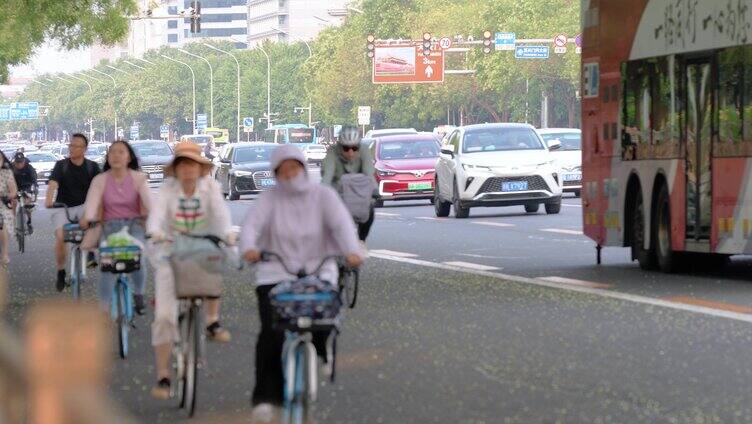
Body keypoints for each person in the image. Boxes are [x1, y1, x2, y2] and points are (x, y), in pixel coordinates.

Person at [241, 144, 364, 422]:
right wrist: (249, 248)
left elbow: (342, 226)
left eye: (294, 167)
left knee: (323, 319)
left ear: (303, 167)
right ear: (275, 174)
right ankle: (265, 398)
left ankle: (322, 349)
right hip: (276, 273)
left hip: (318, 271)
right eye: (283, 170)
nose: (289, 174)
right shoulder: (269, 199)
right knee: (271, 335)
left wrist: (352, 251)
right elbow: (250, 227)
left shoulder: (324, 196)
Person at [146, 141, 233, 400]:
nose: (188, 170)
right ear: (176, 169)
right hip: (170, 254)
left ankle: (211, 321)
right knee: (164, 317)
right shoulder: (166, 190)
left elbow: (221, 216)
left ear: (201, 168)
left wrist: (227, 234)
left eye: (192, 164)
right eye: (182, 164)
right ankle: (163, 375)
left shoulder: (211, 188)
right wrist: (156, 232)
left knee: (216, 260)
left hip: (201, 251)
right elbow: (156, 216)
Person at [80, 140, 151, 315]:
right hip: (109, 227)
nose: (116, 156)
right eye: (112, 152)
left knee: (137, 256)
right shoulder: (100, 180)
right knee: (108, 264)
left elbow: (150, 204)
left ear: (129, 157)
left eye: (121, 152)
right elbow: (92, 203)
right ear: (108, 157)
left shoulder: (138, 178)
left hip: (135, 225)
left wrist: (156, 220)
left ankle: (139, 294)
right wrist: (88, 218)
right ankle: (103, 309)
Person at [45, 133, 101, 292]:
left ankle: (90, 252)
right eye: (70, 145)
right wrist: (49, 200)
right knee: (61, 236)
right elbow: (52, 185)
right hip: (64, 207)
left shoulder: (92, 167)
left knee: (93, 218)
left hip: (85, 205)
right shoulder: (61, 165)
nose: (72, 149)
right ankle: (61, 271)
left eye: (76, 146)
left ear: (84, 149)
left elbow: (99, 189)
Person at [320, 125, 377, 242]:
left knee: (370, 209)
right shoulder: (332, 153)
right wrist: (320, 193)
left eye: (354, 148)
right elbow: (327, 176)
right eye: (346, 148)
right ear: (340, 146)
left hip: (358, 194)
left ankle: (361, 240)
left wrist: (375, 191)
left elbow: (369, 175)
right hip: (337, 194)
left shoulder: (364, 151)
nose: (351, 152)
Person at [11, 152, 37, 233]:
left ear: (24, 161)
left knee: (28, 204)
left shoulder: (29, 168)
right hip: (14, 187)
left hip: (27, 187)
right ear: (15, 162)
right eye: (17, 162)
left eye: (21, 162)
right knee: (13, 201)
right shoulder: (11, 168)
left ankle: (29, 221)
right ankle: (13, 220)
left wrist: (33, 191)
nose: (19, 164)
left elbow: (34, 181)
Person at [0, 151, 18, 265]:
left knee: (2, 223)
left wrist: (7, 196)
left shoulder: (6, 173)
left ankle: (5, 253)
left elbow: (13, 191)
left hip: (2, 205)